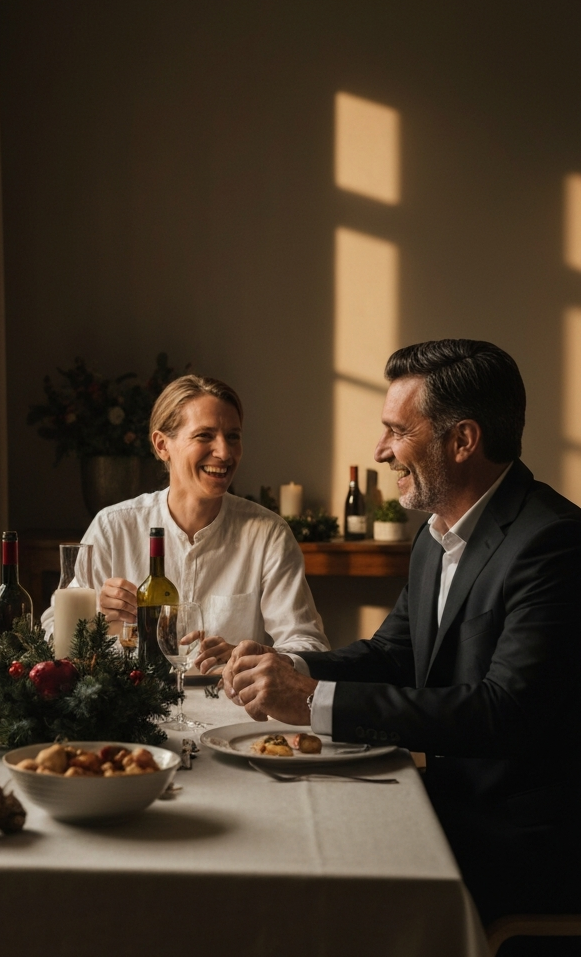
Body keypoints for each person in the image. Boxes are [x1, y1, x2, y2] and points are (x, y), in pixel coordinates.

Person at [222, 340, 581, 927]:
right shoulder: (436, 536)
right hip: (447, 804)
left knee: (302, 894)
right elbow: (392, 654)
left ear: (463, 440)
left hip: (520, 842)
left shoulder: (554, 542)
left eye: (397, 431)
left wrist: (311, 701)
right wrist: (289, 668)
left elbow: (505, 711)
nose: (381, 450)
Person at [41, 374, 329, 669]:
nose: (225, 452)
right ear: (162, 445)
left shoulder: (268, 534)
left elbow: (309, 646)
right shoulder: (112, 528)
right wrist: (96, 620)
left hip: (233, 711)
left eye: (233, 436)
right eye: (205, 435)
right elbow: (51, 635)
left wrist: (251, 656)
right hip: (134, 711)